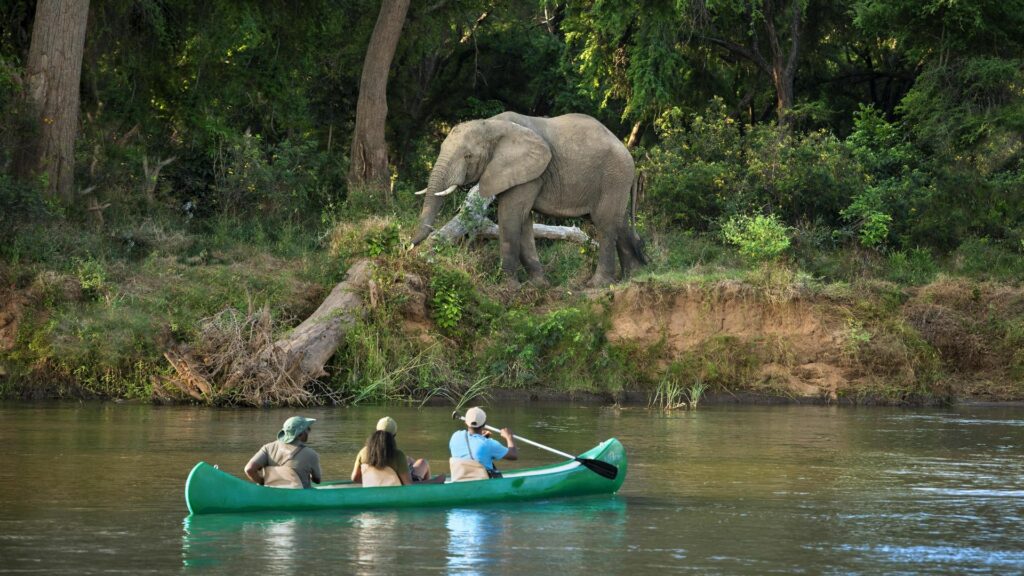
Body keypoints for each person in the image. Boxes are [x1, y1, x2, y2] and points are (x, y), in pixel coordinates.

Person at [244, 416, 322, 489]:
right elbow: (317, 480)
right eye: (308, 429)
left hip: (271, 492)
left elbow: (249, 470)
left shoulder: (267, 447)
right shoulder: (311, 454)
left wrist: (262, 483)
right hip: (299, 495)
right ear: (300, 434)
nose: (309, 432)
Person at [448, 407, 518, 481]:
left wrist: (481, 438)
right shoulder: (489, 444)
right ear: (484, 424)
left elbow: (470, 449)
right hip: (482, 484)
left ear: (465, 422)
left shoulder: (455, 436)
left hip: (459, 481)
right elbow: (513, 455)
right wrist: (509, 437)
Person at [351, 417, 414, 486]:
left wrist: (372, 482)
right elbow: (408, 484)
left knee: (409, 460)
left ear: (376, 431)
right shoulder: (398, 455)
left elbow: (355, 478)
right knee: (422, 463)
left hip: (371, 488)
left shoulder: (363, 452)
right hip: (395, 491)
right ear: (394, 435)